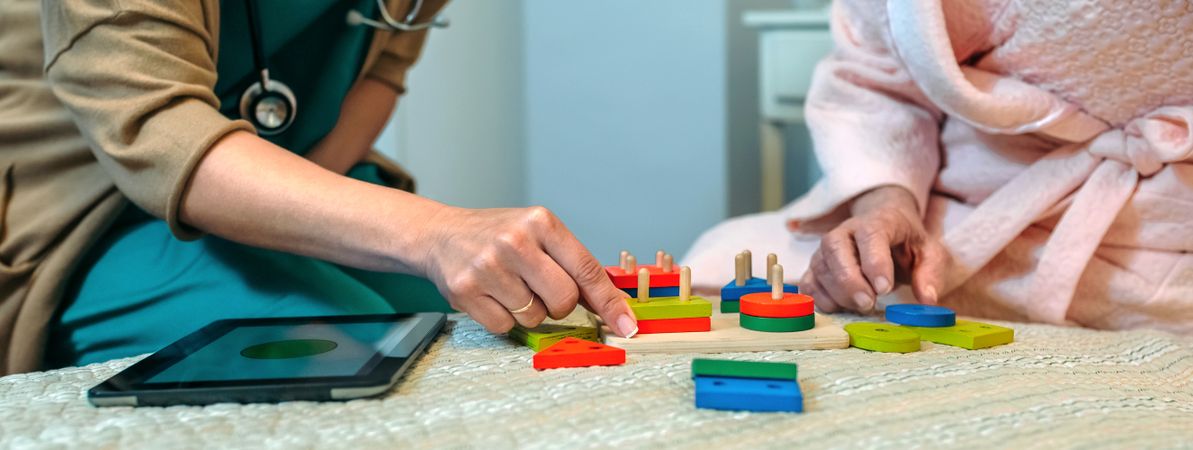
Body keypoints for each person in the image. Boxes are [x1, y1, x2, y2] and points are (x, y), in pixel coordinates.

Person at [0, 0, 638, 375]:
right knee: (342, 357)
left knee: (454, 339)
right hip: (92, 209)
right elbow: (153, 128)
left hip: (293, 179)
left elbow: (383, 68)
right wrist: (431, 233)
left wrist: (310, 226)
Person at [685, 0, 1192, 332]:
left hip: (1165, 242)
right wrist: (888, 207)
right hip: (966, 219)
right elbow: (881, 82)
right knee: (718, 263)